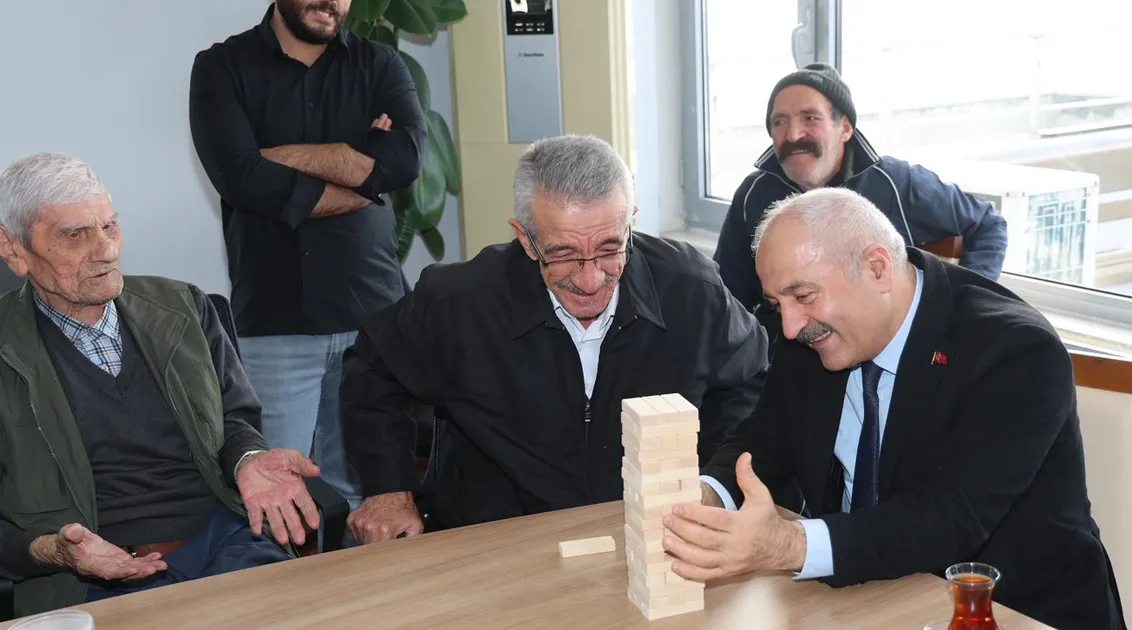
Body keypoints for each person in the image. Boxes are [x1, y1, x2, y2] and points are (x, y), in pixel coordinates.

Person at [665, 188, 1122, 629]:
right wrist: (705, 496)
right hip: (866, 597)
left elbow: (950, 519)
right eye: (776, 303)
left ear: (877, 269)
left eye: (802, 296)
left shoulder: (1014, 351)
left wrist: (789, 544)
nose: (788, 326)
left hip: (1010, 609)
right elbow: (765, 439)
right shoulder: (808, 331)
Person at [340, 135, 769, 542]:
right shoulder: (460, 301)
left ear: (630, 222)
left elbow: (753, 383)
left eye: (610, 248)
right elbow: (374, 369)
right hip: (497, 540)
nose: (590, 279)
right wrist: (387, 488)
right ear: (526, 240)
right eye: (563, 254)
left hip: (651, 534)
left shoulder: (692, 291)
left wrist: (715, 481)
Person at [0, 153, 322, 616]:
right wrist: (53, 550)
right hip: (94, 578)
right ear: (13, 249)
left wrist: (248, 459)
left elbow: (234, 418)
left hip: (226, 539)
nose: (107, 250)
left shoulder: (182, 306)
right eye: (75, 235)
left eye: (109, 227)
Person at [188, 0, 427, 510]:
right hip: (277, 318)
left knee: (369, 494)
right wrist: (359, 165)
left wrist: (279, 157)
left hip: (372, 315)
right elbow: (240, 176)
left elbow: (405, 160)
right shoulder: (222, 67)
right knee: (277, 496)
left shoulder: (379, 63)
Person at [714, 63, 1008, 316]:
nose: (793, 134)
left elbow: (987, 225)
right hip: (784, 347)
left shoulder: (895, 183)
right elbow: (728, 295)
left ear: (845, 128)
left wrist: (962, 307)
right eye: (780, 122)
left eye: (810, 118)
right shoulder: (753, 194)